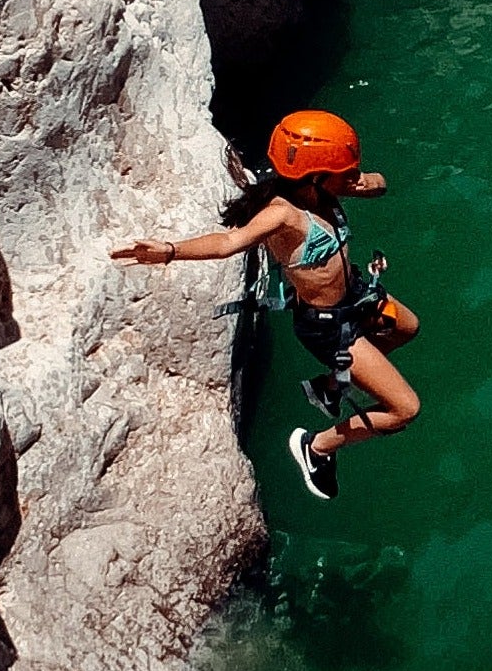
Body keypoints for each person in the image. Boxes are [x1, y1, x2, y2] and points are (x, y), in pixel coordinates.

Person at [110, 108, 419, 504]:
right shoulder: (282, 215)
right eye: (343, 171)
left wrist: (362, 183)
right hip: (328, 325)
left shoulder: (322, 190)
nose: (351, 176)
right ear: (315, 175)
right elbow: (227, 244)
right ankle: (317, 448)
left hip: (354, 295)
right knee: (404, 409)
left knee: (406, 328)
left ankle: (329, 386)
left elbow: (379, 184)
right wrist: (169, 251)